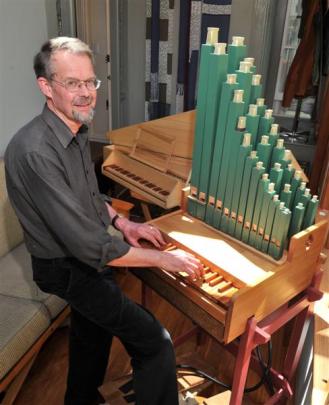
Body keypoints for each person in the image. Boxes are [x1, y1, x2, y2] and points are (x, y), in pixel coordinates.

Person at [4, 37, 203, 405]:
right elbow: (89, 246)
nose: (86, 93)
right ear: (46, 87)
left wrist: (124, 224)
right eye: (73, 83)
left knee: (90, 337)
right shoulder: (35, 152)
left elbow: (90, 198)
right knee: (153, 341)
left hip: (85, 259)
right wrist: (163, 259)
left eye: (90, 82)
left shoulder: (75, 133)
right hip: (66, 268)